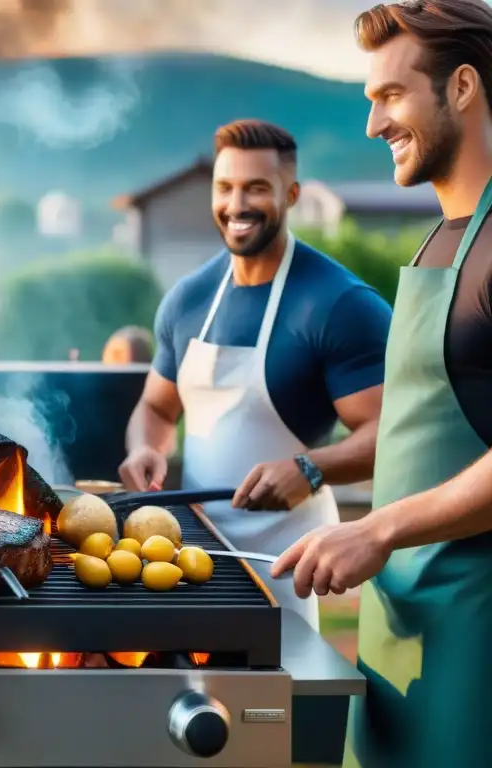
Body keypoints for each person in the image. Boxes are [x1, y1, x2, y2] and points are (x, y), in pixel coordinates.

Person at [270, 1, 492, 765]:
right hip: (397, 629)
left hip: (476, 640)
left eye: (391, 96)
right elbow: (418, 430)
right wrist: (313, 470)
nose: (372, 124)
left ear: (462, 87)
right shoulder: (438, 240)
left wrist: (380, 528)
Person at [118, 120, 391, 630]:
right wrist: (146, 447)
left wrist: (309, 469)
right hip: (190, 561)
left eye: (256, 188)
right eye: (225, 188)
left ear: (291, 194)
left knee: (271, 706)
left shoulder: (339, 304)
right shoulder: (189, 297)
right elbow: (157, 408)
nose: (236, 204)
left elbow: (391, 432)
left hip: (284, 566)